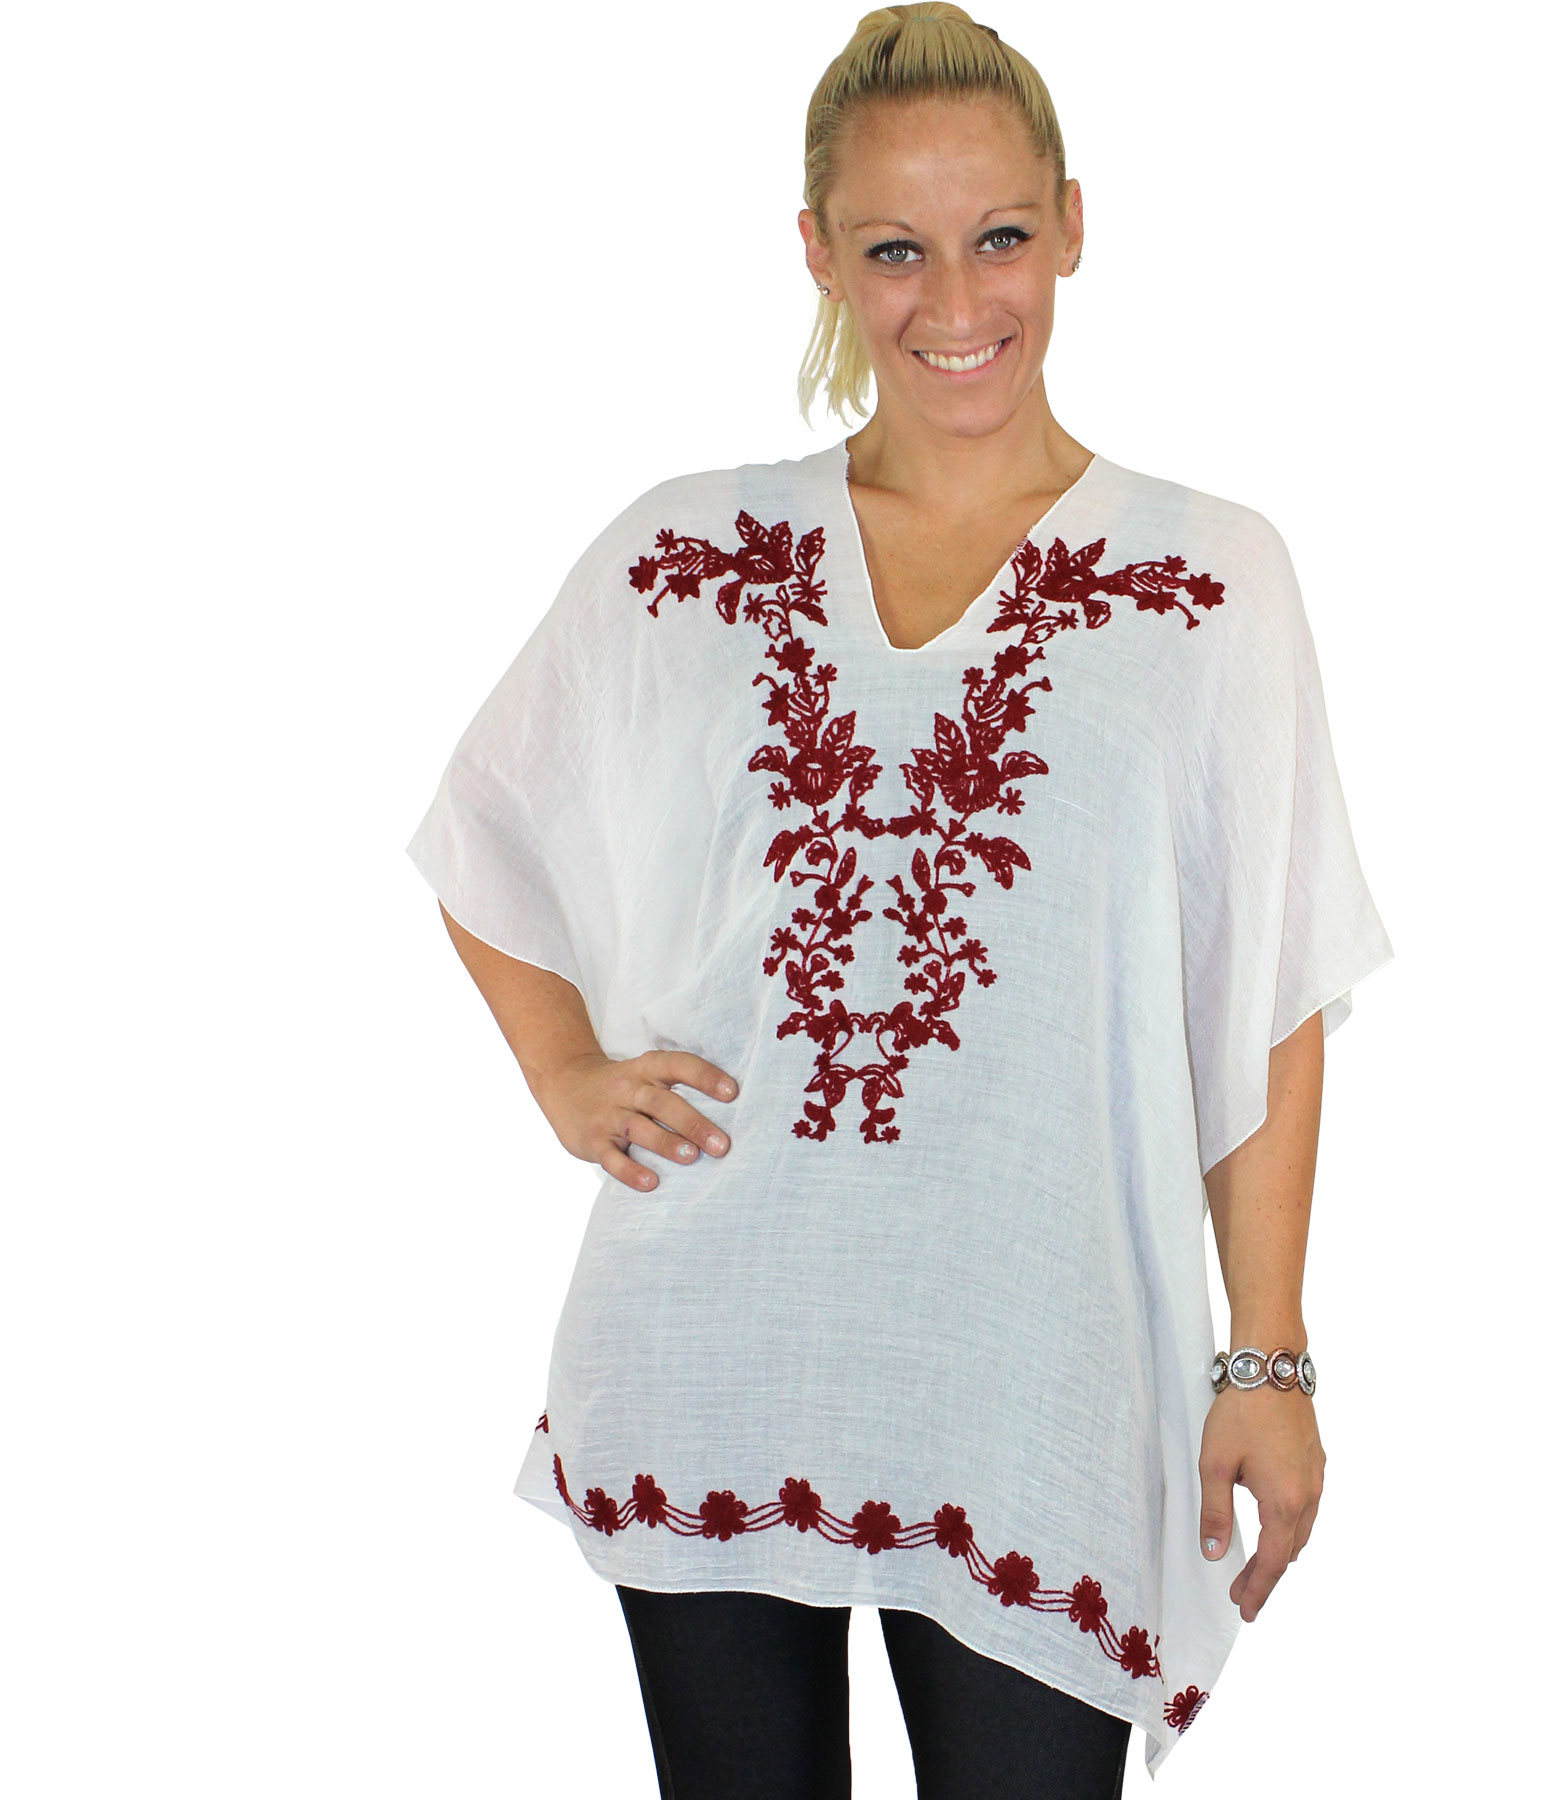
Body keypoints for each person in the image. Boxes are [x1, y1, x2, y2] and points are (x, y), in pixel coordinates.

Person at [404, 6, 1392, 1795]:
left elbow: (1269, 994)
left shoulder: (1205, 585)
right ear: (818, 254)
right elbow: (492, 824)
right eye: (894, 250)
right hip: (712, 1334)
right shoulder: (685, 557)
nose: (955, 300)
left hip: (1040, 1364)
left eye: (998, 235)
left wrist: (1269, 1358)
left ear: (1074, 222)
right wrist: (562, 1071)